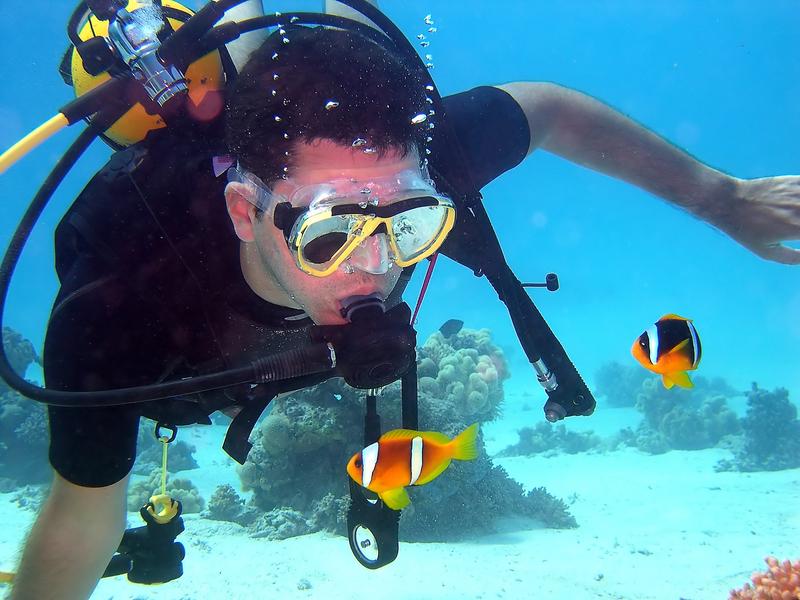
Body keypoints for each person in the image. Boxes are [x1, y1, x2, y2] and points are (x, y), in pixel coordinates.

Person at [9, 1, 800, 599]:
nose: (377, 270)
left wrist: (720, 198)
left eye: (413, 224)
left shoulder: (423, 156)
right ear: (246, 213)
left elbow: (549, 108)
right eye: (330, 237)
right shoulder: (113, 304)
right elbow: (83, 517)